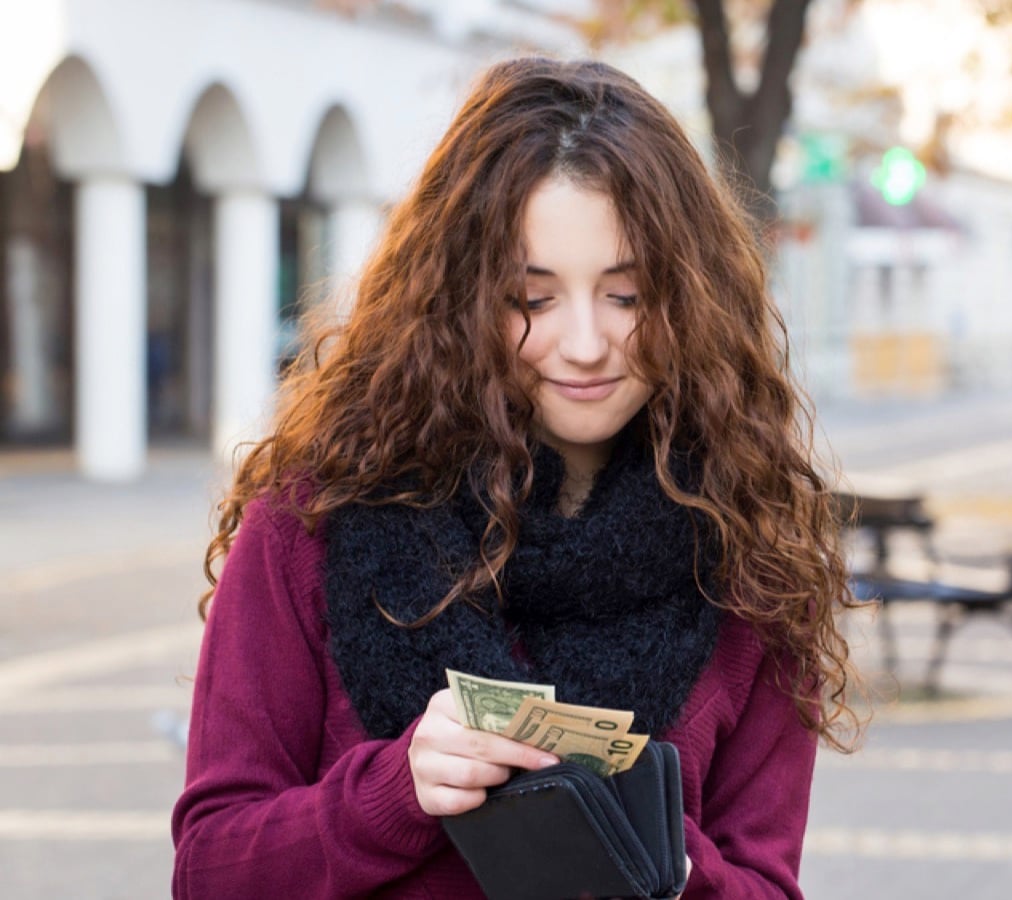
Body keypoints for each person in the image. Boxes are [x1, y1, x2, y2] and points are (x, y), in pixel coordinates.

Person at [171, 56, 861, 899]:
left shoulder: (751, 559)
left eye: (629, 296)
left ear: (692, 299)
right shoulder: (314, 521)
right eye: (531, 299)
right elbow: (211, 868)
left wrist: (668, 862)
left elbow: (765, 883)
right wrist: (395, 792)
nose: (583, 343)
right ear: (458, 297)